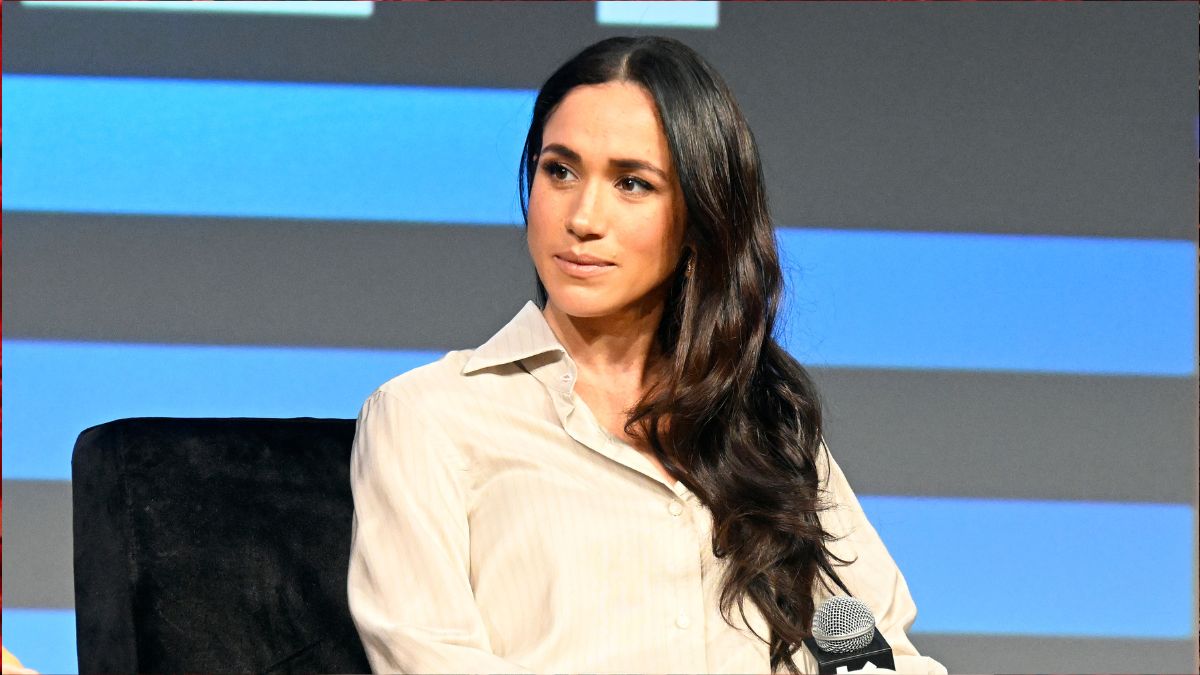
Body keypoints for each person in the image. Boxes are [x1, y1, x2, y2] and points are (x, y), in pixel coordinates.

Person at [348, 35, 946, 674]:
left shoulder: (764, 425)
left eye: (632, 183)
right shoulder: (430, 416)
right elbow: (429, 659)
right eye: (560, 171)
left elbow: (868, 651)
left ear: (698, 220)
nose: (583, 217)